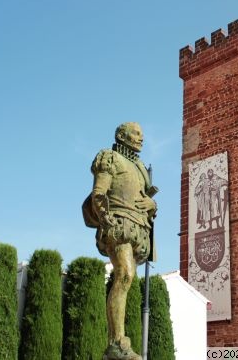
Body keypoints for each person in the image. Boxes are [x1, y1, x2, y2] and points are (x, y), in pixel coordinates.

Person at [82, 122, 157, 360]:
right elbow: (99, 192)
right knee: (124, 274)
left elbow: (146, 200)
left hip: (137, 227)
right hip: (118, 223)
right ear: (121, 135)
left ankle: (119, 341)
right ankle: (116, 343)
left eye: (142, 135)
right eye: (136, 134)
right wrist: (105, 218)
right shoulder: (109, 158)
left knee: (127, 278)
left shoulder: (140, 167)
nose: (141, 138)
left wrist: (152, 204)